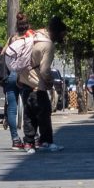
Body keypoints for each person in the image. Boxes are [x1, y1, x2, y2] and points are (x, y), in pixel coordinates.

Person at [18, 16, 69, 154]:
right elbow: (45, 70)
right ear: (58, 32)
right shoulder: (48, 45)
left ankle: (29, 143)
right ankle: (47, 141)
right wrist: (49, 82)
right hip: (37, 85)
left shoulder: (34, 37)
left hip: (24, 83)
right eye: (63, 35)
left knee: (29, 115)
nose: (63, 38)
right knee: (44, 114)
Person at [1, 13, 34, 150]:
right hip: (25, 75)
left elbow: (3, 54)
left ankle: (15, 139)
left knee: (12, 108)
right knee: (29, 106)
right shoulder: (30, 39)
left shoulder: (12, 39)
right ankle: (32, 137)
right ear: (28, 26)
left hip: (11, 74)